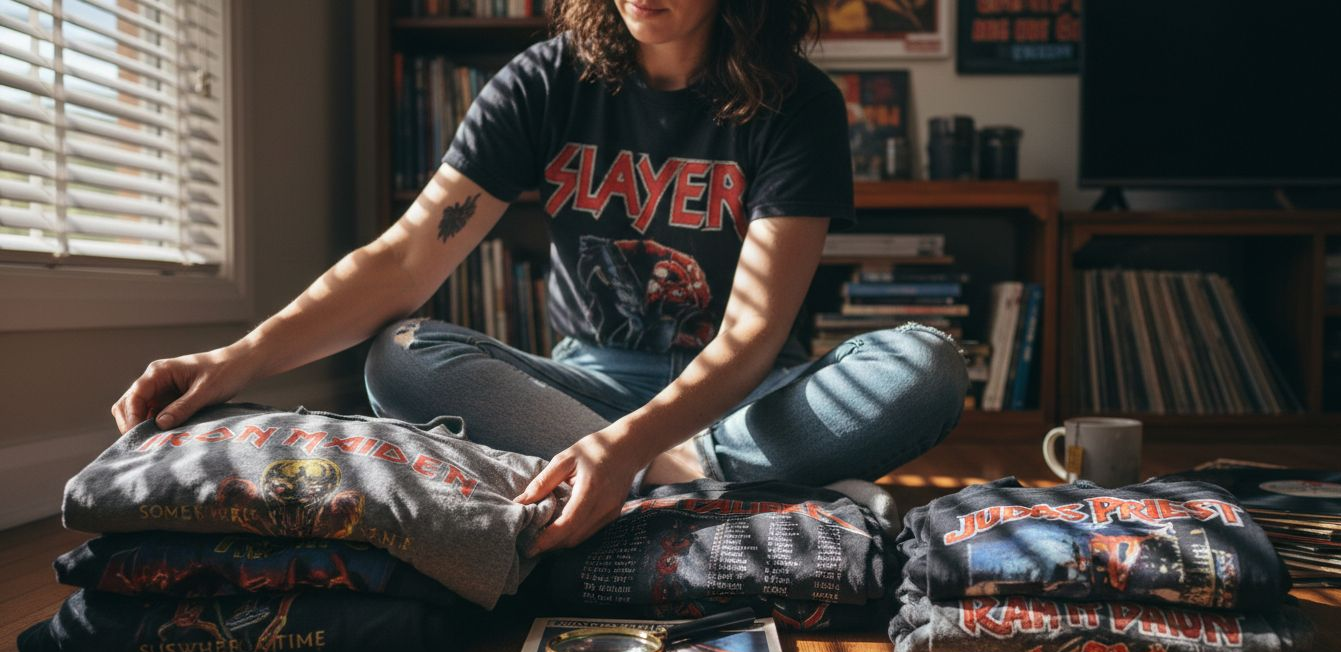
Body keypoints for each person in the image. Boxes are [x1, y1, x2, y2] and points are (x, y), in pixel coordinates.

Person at [111, 0, 967, 557]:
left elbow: (749, 337)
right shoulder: (546, 80)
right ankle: (708, 490)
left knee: (925, 367)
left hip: (744, 400)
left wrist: (627, 449)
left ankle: (650, 480)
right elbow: (409, 257)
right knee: (401, 355)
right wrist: (241, 357)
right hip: (582, 387)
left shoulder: (797, 104)